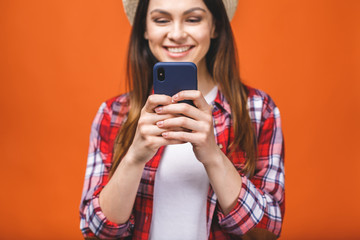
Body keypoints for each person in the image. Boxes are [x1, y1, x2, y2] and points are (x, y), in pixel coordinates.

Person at [79, 0, 285, 239]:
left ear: (215, 26)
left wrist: (213, 156)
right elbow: (95, 232)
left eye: (193, 19)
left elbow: (266, 234)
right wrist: (134, 157)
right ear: (145, 29)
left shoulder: (258, 110)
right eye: (161, 20)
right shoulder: (113, 113)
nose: (176, 34)